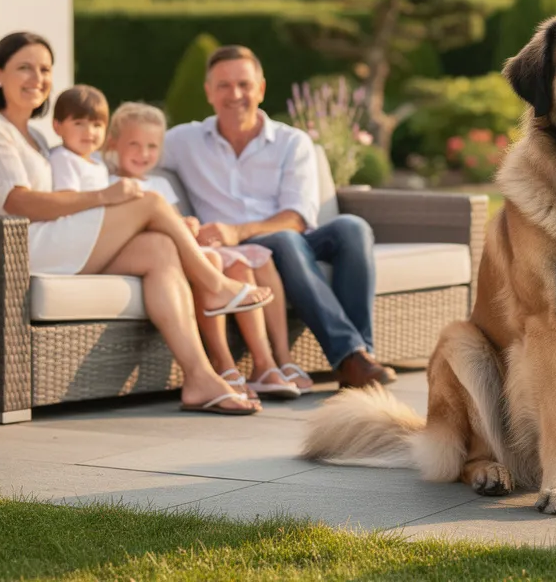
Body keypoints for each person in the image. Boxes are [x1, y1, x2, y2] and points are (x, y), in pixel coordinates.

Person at [0, 31, 273, 415]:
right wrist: (105, 197)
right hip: (14, 249)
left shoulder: (36, 138)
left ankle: (200, 378)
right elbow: (18, 202)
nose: (37, 78)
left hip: (49, 241)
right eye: (25, 68)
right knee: (149, 200)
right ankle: (215, 283)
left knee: (160, 250)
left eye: (45, 69)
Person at [161, 45, 396, 389]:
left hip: (287, 238)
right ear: (208, 92)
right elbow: (129, 154)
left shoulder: (291, 142)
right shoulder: (183, 141)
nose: (235, 94)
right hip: (240, 252)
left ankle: (360, 354)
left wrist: (237, 230)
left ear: (261, 89)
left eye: (244, 84)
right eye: (223, 85)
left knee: (352, 228)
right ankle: (352, 360)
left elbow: (298, 219)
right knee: (285, 241)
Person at [102, 101, 311, 398]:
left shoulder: (160, 182)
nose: (144, 153)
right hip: (162, 254)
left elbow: (174, 222)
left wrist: (188, 225)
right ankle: (223, 365)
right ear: (113, 143)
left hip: (188, 248)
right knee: (213, 260)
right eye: (134, 144)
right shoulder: (111, 182)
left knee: (244, 263)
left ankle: (265, 364)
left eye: (151, 146)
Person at [48, 85, 111, 192]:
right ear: (57, 126)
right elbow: (68, 201)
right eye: (79, 123)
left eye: (97, 125)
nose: (89, 132)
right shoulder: (63, 158)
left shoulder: (99, 163)